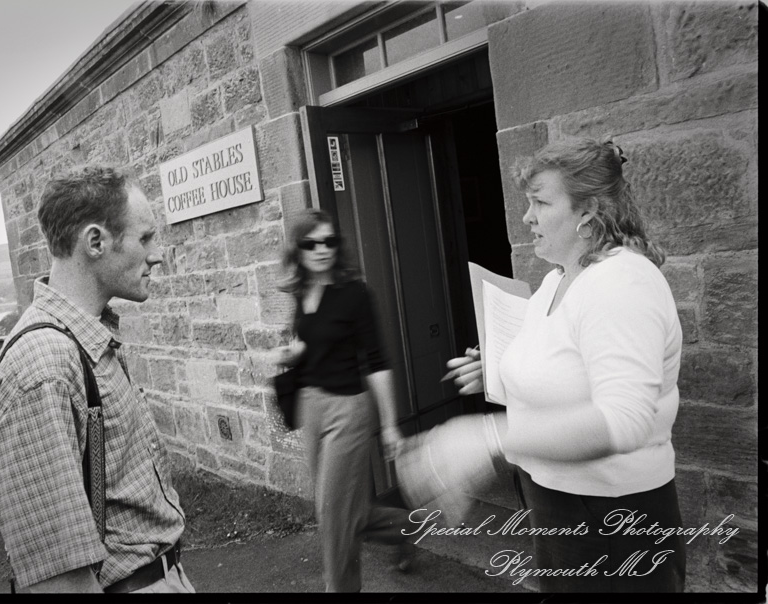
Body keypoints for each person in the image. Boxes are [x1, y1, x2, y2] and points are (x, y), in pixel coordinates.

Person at [443, 137, 686, 592]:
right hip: (553, 499)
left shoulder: (621, 282)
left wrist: (484, 439)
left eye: (539, 202)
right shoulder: (555, 281)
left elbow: (625, 419)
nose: (527, 217)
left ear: (588, 212)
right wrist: (496, 375)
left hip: (614, 517)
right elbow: (559, 375)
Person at [0, 165, 194, 593]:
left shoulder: (84, 337)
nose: (157, 254)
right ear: (96, 241)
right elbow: (57, 576)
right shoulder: (42, 367)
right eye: (145, 238)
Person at [272, 209, 416, 592]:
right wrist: (295, 353)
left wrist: (389, 425)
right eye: (311, 243)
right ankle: (406, 527)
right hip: (311, 405)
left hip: (348, 410)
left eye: (329, 241)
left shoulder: (355, 294)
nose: (322, 249)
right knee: (337, 511)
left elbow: (378, 362)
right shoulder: (303, 293)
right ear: (298, 249)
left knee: (335, 517)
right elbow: (311, 342)